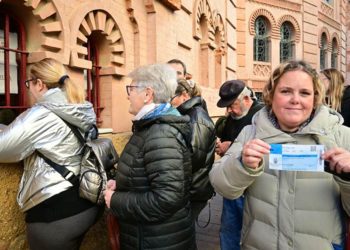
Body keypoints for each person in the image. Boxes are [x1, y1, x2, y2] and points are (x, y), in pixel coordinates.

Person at [210, 60, 350, 250]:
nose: (295, 99)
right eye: (285, 91)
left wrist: (348, 178)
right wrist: (242, 165)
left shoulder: (342, 136)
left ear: (315, 98)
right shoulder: (251, 133)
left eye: (305, 93)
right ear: (271, 95)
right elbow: (222, 186)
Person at [0, 58, 100, 250]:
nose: (28, 88)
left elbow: (3, 147)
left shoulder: (41, 114)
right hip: (85, 201)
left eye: (29, 83)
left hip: (57, 212)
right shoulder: (79, 105)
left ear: (40, 84)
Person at [104, 64, 196, 250]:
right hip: (151, 238)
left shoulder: (161, 134)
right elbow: (145, 174)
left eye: (131, 89)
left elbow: (166, 199)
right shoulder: (150, 127)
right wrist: (121, 184)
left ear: (147, 94)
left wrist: (115, 200)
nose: (127, 95)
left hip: (158, 241)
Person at [215, 80, 263, 250]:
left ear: (246, 99)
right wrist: (223, 148)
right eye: (226, 106)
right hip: (232, 184)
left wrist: (233, 146)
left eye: (232, 105)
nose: (229, 110)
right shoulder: (232, 117)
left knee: (254, 232)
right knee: (229, 229)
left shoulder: (263, 115)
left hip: (254, 188)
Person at [171, 78, 216, 219]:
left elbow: (193, 157)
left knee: (184, 234)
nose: (169, 103)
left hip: (193, 191)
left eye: (171, 98)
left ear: (184, 95)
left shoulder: (196, 118)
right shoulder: (190, 114)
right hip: (192, 189)